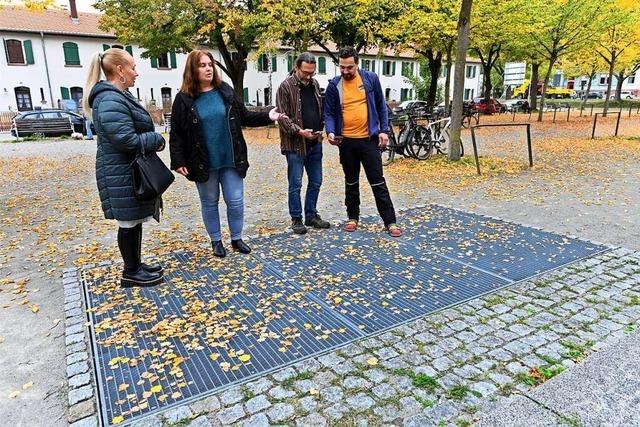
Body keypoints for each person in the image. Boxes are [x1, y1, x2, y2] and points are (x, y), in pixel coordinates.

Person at [169, 49, 286, 257]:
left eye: (209, 64)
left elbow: (245, 117)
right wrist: (178, 160)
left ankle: (236, 238)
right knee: (209, 201)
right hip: (203, 160)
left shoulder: (225, 91)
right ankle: (216, 240)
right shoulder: (184, 99)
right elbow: (176, 133)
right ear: (192, 70)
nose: (208, 68)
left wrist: (268, 116)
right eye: (202, 65)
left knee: (235, 200)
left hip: (231, 157)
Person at [84, 48, 165, 288]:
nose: (136, 73)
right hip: (121, 172)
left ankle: (136, 265)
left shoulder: (119, 95)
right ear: (119, 70)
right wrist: (156, 140)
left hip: (126, 171)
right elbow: (126, 140)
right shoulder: (109, 98)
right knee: (128, 223)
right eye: (133, 67)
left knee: (134, 220)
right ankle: (131, 272)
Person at [324, 46, 402, 237]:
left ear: (357, 64)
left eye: (349, 67)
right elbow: (329, 113)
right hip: (347, 142)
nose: (345, 71)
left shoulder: (370, 79)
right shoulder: (334, 85)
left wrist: (384, 131)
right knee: (351, 182)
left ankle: (390, 222)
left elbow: (381, 107)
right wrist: (331, 132)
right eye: (342, 67)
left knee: (377, 182)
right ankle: (352, 217)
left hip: (369, 141)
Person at [276, 52, 330, 235]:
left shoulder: (314, 84)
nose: (308, 76)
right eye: (305, 72)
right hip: (295, 144)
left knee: (316, 181)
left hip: (315, 141)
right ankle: (296, 218)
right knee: (296, 183)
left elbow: (319, 108)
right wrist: (300, 131)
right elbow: (282, 118)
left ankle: (311, 214)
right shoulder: (285, 87)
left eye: (312, 72)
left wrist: (322, 128)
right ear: (296, 67)